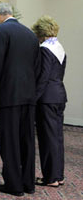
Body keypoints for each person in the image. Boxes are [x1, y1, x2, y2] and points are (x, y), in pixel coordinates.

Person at [0, 3, 40, 196]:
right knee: (26, 141)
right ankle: (28, 184)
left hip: (8, 96)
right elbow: (37, 67)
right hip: (28, 96)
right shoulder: (30, 34)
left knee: (9, 141)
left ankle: (14, 185)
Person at [31, 15, 67, 188]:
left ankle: (50, 178)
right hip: (59, 95)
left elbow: (43, 77)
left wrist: (33, 99)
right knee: (57, 137)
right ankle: (59, 175)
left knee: (48, 138)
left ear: (41, 33)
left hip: (46, 98)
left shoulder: (45, 49)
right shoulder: (60, 48)